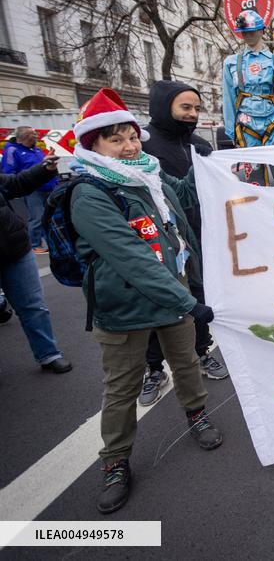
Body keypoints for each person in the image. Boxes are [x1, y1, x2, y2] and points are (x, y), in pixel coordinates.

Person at [69, 87, 223, 514]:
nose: (129, 146)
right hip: (125, 308)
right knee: (121, 388)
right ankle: (116, 461)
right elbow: (131, 257)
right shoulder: (89, 191)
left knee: (188, 361)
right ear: (93, 145)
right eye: (115, 140)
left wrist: (208, 165)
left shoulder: (148, 174)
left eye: (132, 136)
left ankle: (197, 415)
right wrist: (191, 301)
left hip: (172, 297)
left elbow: (186, 197)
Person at [137, 81, 229, 406]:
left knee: (198, 296)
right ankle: (153, 369)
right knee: (156, 302)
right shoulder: (142, 147)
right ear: (165, 107)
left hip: (198, 235)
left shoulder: (201, 146)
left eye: (196, 108)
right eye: (185, 108)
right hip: (155, 240)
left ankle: (202, 352)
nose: (192, 115)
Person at [0, 153, 72, 373]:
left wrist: (45, 169)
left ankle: (49, 354)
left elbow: (16, 184)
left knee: (33, 306)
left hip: (15, 249)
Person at [222, 10, 274, 160]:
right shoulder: (230, 63)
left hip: (273, 122)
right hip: (245, 124)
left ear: (261, 30)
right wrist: (230, 131)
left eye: (252, 31)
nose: (247, 35)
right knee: (252, 173)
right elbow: (228, 98)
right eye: (244, 32)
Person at [2, 126, 58, 254]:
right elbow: (8, 172)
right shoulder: (12, 150)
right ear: (23, 137)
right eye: (33, 134)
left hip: (48, 188)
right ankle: (35, 244)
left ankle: (50, 242)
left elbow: (44, 167)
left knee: (49, 218)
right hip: (33, 190)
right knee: (37, 218)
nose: (36, 136)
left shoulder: (37, 150)